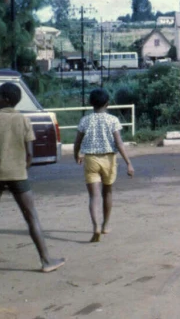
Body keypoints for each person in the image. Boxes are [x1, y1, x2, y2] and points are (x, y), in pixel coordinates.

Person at [0, 82, 65, 277]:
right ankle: (46, 260)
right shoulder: (23, 120)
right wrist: (22, 167)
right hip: (18, 175)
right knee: (31, 217)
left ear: (4, 99)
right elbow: (29, 153)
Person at [73, 88, 135, 243]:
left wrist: (77, 155)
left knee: (93, 196)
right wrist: (128, 163)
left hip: (91, 159)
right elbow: (119, 143)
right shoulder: (113, 120)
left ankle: (95, 226)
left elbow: (77, 142)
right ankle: (106, 225)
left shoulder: (85, 120)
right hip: (109, 159)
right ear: (107, 103)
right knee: (107, 193)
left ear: (90, 103)